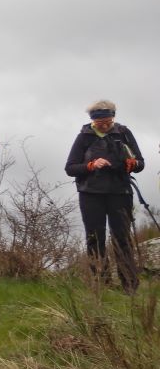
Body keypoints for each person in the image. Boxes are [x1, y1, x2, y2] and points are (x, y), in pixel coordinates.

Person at [64, 100, 144, 292]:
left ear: (113, 118)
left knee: (122, 238)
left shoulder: (124, 133)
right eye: (101, 123)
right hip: (90, 194)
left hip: (120, 192)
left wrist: (133, 164)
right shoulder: (84, 137)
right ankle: (102, 284)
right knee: (94, 238)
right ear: (93, 120)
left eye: (109, 122)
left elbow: (141, 163)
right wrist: (91, 165)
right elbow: (70, 168)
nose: (106, 126)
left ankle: (129, 286)